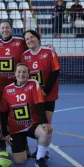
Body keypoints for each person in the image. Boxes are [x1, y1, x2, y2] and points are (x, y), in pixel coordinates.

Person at [1, 63, 53, 167]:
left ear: (29, 74)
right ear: (14, 73)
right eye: (19, 71)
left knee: (46, 131)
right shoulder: (7, 89)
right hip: (15, 129)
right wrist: (5, 133)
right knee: (19, 161)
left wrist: (45, 122)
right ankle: (23, 144)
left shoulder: (33, 84)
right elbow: (3, 112)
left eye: (24, 72)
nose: (21, 74)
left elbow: (39, 104)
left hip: (31, 125)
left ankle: (40, 159)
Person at [21, 30, 60, 159]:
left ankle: (43, 150)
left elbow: (55, 72)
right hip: (32, 95)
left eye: (32, 37)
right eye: (27, 39)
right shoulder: (24, 56)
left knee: (47, 122)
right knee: (27, 120)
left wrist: (44, 91)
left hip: (48, 94)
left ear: (38, 38)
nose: (30, 40)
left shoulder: (49, 52)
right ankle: (24, 146)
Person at [0, 20, 29, 154]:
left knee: (20, 116)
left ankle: (24, 143)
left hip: (18, 87)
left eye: (7, 27)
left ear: (11, 29)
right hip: (1, 88)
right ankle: (2, 143)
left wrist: (47, 46)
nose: (5, 30)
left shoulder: (20, 43)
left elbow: (33, 47)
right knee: (2, 116)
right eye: (2, 28)